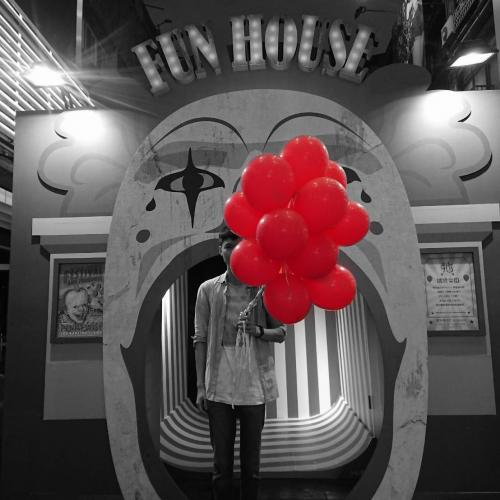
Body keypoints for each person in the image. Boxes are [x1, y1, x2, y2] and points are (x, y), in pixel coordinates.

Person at [193, 227, 286, 500]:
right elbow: (200, 338)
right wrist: (200, 387)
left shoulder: (262, 288)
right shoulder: (208, 289)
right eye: (228, 246)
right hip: (218, 381)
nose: (234, 251)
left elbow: (281, 332)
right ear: (219, 250)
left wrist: (258, 331)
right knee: (221, 464)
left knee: (251, 464)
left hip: (254, 383)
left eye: (239, 246)